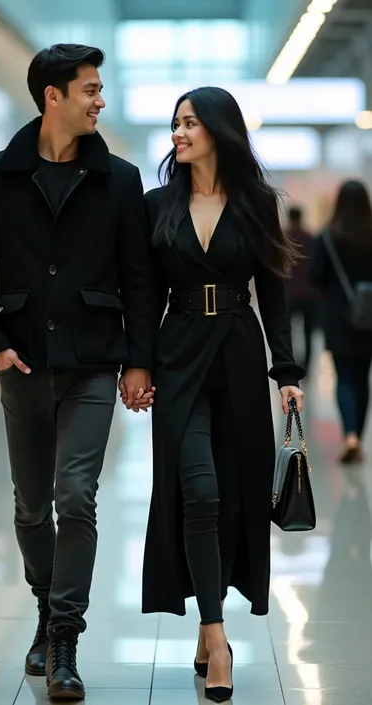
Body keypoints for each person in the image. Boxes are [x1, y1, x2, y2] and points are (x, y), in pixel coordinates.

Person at [0, 44, 156, 701]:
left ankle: (64, 635)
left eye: (100, 89)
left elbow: (137, 277)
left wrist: (139, 359)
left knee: (76, 494)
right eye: (90, 90)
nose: (101, 100)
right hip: (22, 364)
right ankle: (46, 604)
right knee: (31, 504)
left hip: (94, 362)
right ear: (53, 97)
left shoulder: (120, 180)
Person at [122, 87, 305, 703]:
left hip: (238, 354)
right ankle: (215, 632)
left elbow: (274, 294)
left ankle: (211, 618)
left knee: (231, 498)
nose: (178, 133)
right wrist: (138, 364)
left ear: (219, 130)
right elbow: (143, 296)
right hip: (177, 357)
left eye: (190, 122)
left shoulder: (255, 203)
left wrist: (287, 374)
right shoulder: (157, 205)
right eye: (175, 123)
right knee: (195, 489)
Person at [311, 180, 372, 464]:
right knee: (363, 377)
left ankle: (349, 436)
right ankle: (357, 435)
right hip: (369, 317)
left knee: (345, 376)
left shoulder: (327, 236)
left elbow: (316, 276)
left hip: (337, 317)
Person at [284, 206, 319, 372]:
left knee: (287, 331)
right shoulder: (310, 238)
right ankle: (307, 365)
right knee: (308, 332)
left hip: (289, 292)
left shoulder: (283, 237)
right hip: (309, 293)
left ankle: (289, 360)